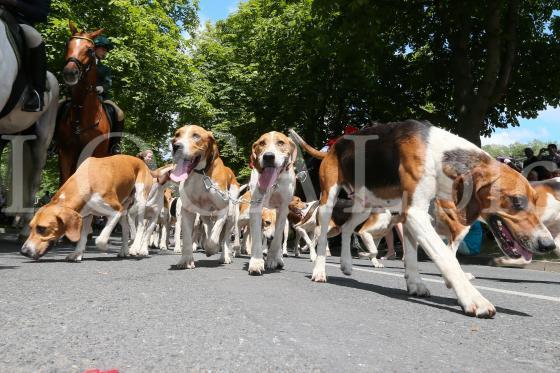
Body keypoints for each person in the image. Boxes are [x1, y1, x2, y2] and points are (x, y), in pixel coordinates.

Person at [0, 0, 51, 112]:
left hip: (18, 23)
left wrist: (15, 3)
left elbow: (42, 14)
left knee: (35, 38)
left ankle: (37, 94)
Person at [93, 35, 125, 154]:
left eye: (106, 50)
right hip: (80, 95)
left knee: (120, 114)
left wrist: (102, 87)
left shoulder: (105, 69)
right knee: (59, 106)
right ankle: (53, 142)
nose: (105, 52)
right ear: (95, 48)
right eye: (104, 49)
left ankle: (115, 145)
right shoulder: (82, 63)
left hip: (101, 97)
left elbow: (108, 83)